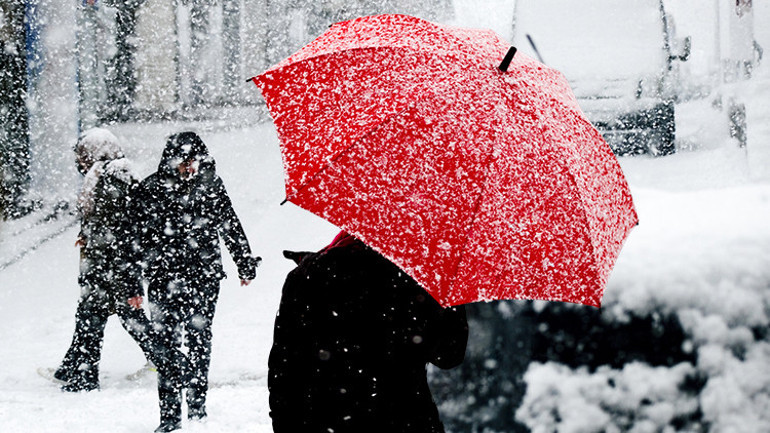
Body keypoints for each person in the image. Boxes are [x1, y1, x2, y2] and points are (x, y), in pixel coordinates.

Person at [269, 231, 468, 433]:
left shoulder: (309, 275)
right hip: (404, 418)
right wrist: (451, 295)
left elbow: (285, 369)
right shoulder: (423, 277)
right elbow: (449, 355)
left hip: (328, 418)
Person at [131, 131, 260, 432]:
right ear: (171, 161)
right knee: (164, 342)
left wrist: (244, 262)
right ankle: (169, 414)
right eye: (184, 162)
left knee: (200, 338)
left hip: (204, 276)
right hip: (164, 278)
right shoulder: (151, 189)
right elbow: (134, 241)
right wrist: (133, 284)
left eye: (194, 162)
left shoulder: (211, 186)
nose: (189, 168)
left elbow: (230, 223)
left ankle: (197, 405)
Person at [53, 127, 157, 392]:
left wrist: (99, 242)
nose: (80, 160)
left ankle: (84, 377)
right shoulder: (104, 174)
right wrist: (86, 233)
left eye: (83, 154)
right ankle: (74, 370)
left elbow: (120, 223)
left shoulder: (112, 177)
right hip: (105, 263)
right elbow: (103, 219)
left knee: (99, 317)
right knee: (95, 316)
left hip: (110, 265)